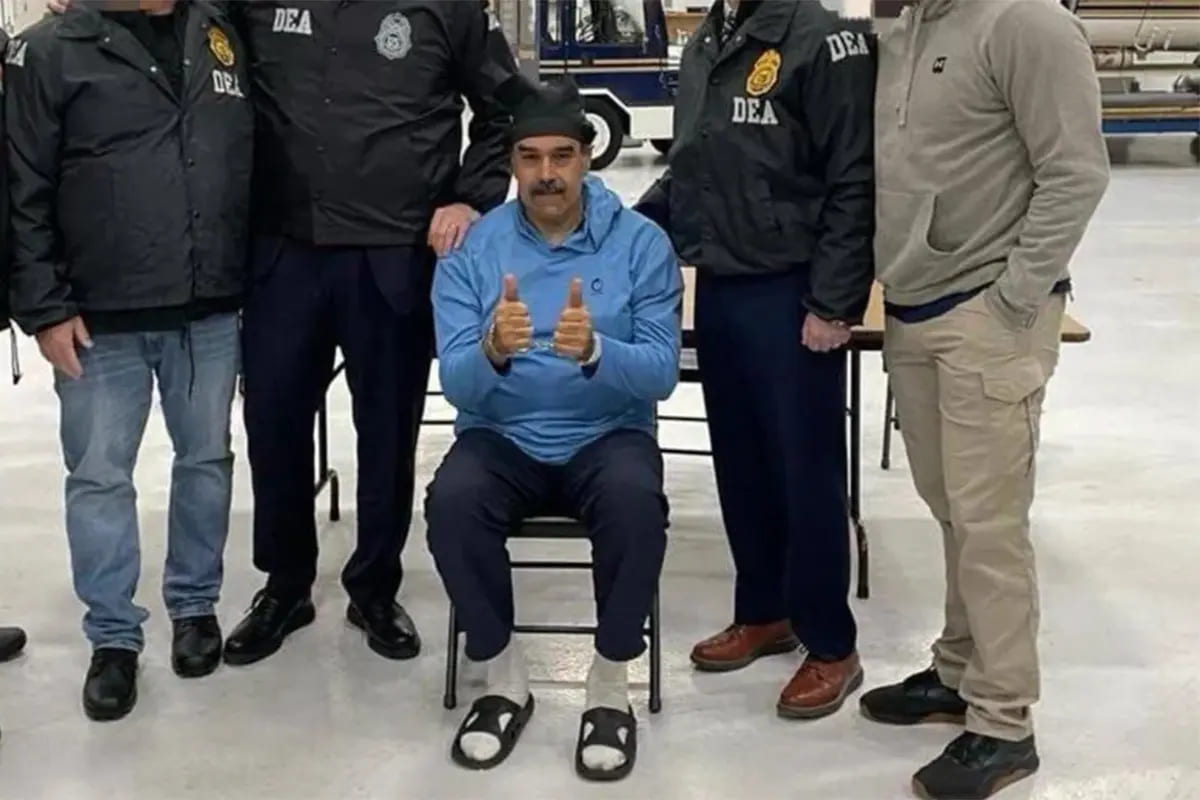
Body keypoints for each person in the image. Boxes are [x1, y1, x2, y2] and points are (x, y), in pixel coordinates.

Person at [212, 0, 519, 666]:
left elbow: (506, 107)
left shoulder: (450, 8)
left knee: (387, 429)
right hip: (283, 249)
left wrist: (470, 195)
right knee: (273, 422)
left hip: (393, 251)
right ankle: (285, 584)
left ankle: (376, 587)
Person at [859, 0, 1110, 797]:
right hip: (912, 304)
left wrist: (1015, 297)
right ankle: (958, 670)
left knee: (990, 525)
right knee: (949, 508)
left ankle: (1004, 723)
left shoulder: (1026, 22)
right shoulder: (908, 27)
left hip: (987, 312)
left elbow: (1077, 170)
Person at [424, 78, 681, 780]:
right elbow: (456, 385)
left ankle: (609, 685)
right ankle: (503, 676)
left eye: (562, 155)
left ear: (587, 157)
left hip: (607, 434)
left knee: (636, 503)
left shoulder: (641, 245)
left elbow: (661, 373)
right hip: (502, 436)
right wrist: (492, 350)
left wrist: (598, 350)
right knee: (451, 502)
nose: (546, 173)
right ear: (511, 163)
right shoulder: (474, 249)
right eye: (530, 157)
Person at [6, 0, 253, 720]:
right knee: (99, 478)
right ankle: (113, 637)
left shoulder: (220, 30)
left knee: (206, 460)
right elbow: (22, 187)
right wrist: (44, 307)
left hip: (208, 303)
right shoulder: (51, 49)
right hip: (97, 317)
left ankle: (195, 606)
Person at [634, 0, 875, 718]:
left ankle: (830, 644)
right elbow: (693, 165)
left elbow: (855, 178)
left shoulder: (824, 44)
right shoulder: (710, 40)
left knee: (806, 473)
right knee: (741, 463)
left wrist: (833, 301)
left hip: (792, 289)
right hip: (720, 282)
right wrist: (625, 226)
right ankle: (765, 610)